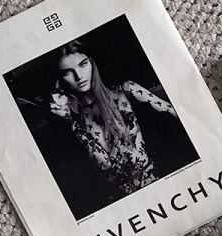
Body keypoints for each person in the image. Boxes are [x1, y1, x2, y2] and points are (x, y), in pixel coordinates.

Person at [46, 41, 180, 199]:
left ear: (92, 63)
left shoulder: (124, 91)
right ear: (60, 80)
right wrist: (70, 120)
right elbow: (105, 164)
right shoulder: (73, 119)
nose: (79, 76)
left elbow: (173, 111)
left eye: (83, 65)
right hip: (118, 199)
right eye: (67, 72)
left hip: (154, 183)